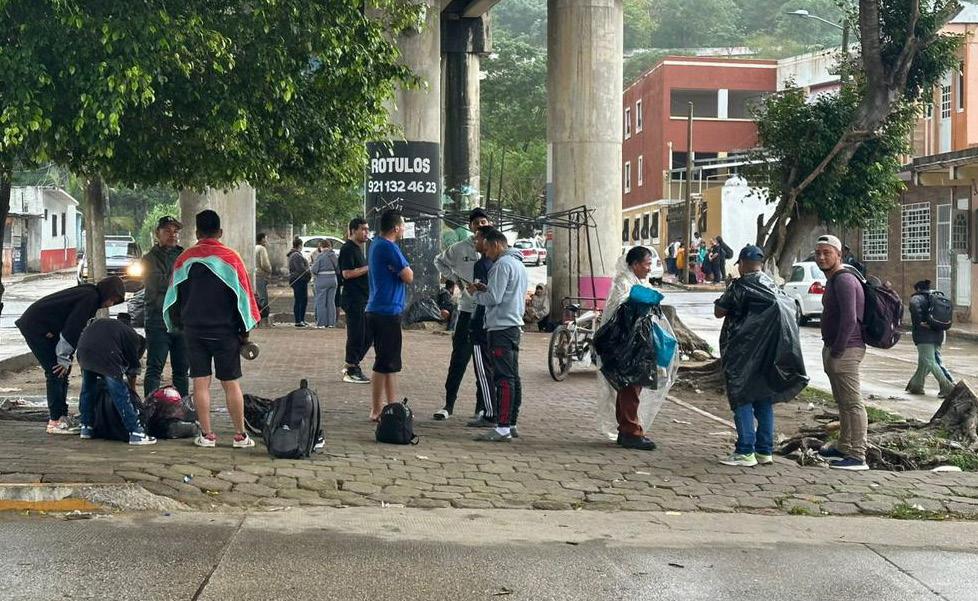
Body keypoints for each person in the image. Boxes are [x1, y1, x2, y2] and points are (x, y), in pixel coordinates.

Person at [163, 209, 260, 449]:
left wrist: (178, 324)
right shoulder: (231, 258)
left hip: (194, 331)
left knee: (200, 382)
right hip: (226, 331)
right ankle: (240, 436)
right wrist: (244, 333)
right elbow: (244, 298)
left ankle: (206, 436)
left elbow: (173, 297)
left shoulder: (184, 259)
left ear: (197, 233)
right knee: (230, 382)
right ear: (221, 232)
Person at [714, 245, 808, 466]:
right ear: (761, 264)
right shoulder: (774, 286)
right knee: (763, 398)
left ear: (742, 264)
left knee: (742, 398)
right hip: (770, 354)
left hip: (743, 354)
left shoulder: (740, 286)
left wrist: (728, 290)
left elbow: (719, 311)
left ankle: (745, 451)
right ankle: (764, 451)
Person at [15, 276, 126, 434]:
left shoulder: (90, 294)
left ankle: (62, 416)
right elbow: (72, 328)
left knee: (63, 371)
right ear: (107, 292)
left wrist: (65, 358)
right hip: (34, 326)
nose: (110, 304)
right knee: (55, 370)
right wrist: (63, 358)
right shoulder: (90, 298)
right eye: (112, 299)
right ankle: (55, 420)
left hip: (45, 327)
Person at [814, 234, 869, 471]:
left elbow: (849, 319)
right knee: (843, 402)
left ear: (839, 255)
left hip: (846, 350)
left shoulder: (845, 280)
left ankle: (858, 455)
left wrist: (837, 350)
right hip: (836, 349)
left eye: (827, 253)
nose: (822, 257)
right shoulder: (834, 279)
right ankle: (844, 446)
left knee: (853, 403)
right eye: (818, 253)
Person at [597, 246, 660, 450]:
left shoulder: (637, 282)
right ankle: (630, 431)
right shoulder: (623, 283)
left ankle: (627, 430)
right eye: (647, 264)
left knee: (631, 387)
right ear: (634, 264)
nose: (649, 268)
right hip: (625, 345)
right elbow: (620, 311)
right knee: (630, 387)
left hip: (635, 344)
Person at [433, 207, 492, 421]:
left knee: (484, 363)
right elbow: (439, 261)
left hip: (488, 315)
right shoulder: (459, 248)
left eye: (484, 222)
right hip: (466, 311)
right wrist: (456, 279)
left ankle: (481, 407)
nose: (480, 226)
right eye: (476, 223)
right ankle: (448, 405)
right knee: (459, 359)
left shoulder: (495, 249)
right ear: (470, 227)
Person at [469, 228, 528, 442]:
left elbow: (494, 298)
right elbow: (506, 292)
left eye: (487, 250)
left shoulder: (501, 265)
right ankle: (511, 423)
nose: (486, 254)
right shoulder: (519, 264)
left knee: (503, 378)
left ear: (496, 245)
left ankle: (502, 427)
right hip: (513, 326)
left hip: (500, 327)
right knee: (512, 376)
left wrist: (475, 294)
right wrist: (486, 289)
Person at [77, 314, 155, 445]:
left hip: (84, 350)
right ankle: (136, 433)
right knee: (120, 394)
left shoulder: (114, 329)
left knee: (87, 390)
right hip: (106, 355)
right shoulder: (133, 338)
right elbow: (133, 367)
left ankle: (86, 427)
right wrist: (132, 392)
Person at [365, 209, 413, 421]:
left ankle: (387, 406)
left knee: (386, 362)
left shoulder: (376, 243)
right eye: (402, 226)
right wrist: (400, 271)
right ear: (395, 228)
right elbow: (408, 275)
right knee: (387, 363)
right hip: (387, 310)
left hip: (378, 308)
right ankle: (382, 409)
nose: (403, 229)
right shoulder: (388, 246)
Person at [141, 215, 189, 398]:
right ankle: (150, 407)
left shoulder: (184, 256)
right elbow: (156, 283)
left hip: (181, 320)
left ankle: (182, 407)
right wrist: (179, 279)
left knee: (182, 371)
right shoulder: (149, 259)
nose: (172, 234)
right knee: (155, 368)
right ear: (157, 233)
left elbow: (189, 283)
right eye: (167, 231)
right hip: (157, 320)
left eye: (175, 231)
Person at [466, 226, 498, 428]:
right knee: (495, 370)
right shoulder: (502, 264)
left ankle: (490, 413)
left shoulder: (482, 264)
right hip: (496, 324)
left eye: (477, 238)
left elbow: (485, 295)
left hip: (481, 324)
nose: (475, 242)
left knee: (484, 371)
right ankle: (496, 411)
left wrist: (475, 291)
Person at [906, 280, 955, 397]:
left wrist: (919, 322)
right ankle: (916, 386)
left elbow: (914, 306)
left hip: (924, 336)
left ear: (918, 289)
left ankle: (947, 386)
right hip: (938, 334)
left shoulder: (917, 298)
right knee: (924, 362)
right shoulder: (935, 297)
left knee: (930, 361)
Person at [339, 217, 372, 384]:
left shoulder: (358, 249)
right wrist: (369, 267)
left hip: (363, 298)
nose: (366, 232)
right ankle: (351, 368)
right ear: (353, 231)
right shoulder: (347, 249)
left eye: (367, 229)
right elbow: (347, 273)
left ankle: (352, 363)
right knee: (356, 334)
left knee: (368, 334)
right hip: (353, 299)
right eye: (363, 229)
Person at [310, 239, 339, 328]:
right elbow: (338, 269)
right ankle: (331, 323)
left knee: (321, 302)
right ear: (329, 246)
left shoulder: (320, 256)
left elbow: (314, 269)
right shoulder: (334, 255)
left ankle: (321, 323)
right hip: (333, 280)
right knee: (331, 302)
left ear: (321, 246)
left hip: (322, 280)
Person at [287, 237, 311, 328]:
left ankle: (301, 319)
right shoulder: (296, 255)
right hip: (299, 280)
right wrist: (308, 272)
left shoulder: (294, 254)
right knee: (300, 300)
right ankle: (298, 320)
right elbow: (301, 269)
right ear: (300, 245)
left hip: (298, 279)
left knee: (302, 300)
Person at [255, 233, 272, 327]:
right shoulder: (261, 249)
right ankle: (262, 320)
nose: (266, 241)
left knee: (256, 297)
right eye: (265, 239)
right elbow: (265, 264)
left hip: (254, 275)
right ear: (262, 239)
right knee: (263, 298)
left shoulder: (254, 248)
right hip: (260, 275)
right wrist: (270, 270)